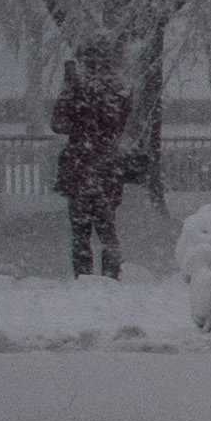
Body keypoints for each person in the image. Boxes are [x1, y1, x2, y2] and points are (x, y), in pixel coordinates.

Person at [48, 40, 137, 279]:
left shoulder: (77, 90)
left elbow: (58, 124)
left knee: (80, 232)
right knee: (108, 230)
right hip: (108, 168)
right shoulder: (120, 91)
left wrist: (69, 89)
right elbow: (120, 125)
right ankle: (110, 277)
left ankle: (84, 279)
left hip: (79, 167)